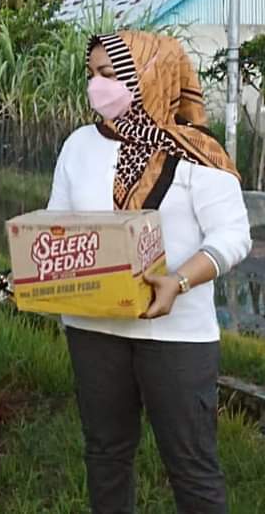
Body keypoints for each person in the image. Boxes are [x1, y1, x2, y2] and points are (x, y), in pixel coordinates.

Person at [48, 31, 251, 514]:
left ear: (149, 77)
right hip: (92, 328)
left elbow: (232, 237)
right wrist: (39, 274)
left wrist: (178, 281)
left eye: (110, 74)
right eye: (91, 73)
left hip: (176, 336)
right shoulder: (79, 145)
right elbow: (56, 225)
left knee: (191, 466)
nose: (96, 85)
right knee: (106, 454)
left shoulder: (198, 154)